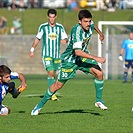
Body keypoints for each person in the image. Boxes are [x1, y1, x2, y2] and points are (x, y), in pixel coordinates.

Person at [31, 9, 108, 116]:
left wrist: (100, 33)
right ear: (79, 21)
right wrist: (96, 58)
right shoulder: (76, 31)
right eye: (85, 21)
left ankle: (98, 101)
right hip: (70, 60)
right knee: (58, 85)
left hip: (82, 58)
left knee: (99, 73)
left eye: (89, 21)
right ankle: (39, 106)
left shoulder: (90, 24)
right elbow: (77, 52)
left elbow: (94, 25)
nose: (88, 24)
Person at [29, 9, 68, 101]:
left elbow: (66, 37)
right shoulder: (43, 27)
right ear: (48, 17)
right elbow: (37, 38)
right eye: (50, 17)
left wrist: (65, 40)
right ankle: (52, 94)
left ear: (56, 17)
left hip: (57, 55)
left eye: (53, 17)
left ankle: (51, 90)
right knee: (51, 72)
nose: (52, 19)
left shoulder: (60, 27)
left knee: (55, 74)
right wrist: (32, 49)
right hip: (47, 55)